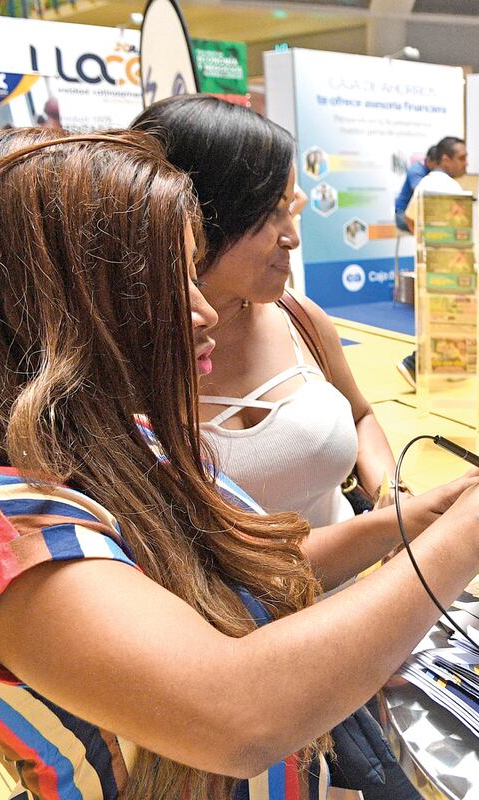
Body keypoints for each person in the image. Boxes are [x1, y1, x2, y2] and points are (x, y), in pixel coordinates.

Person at [0, 127, 479, 799]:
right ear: (78, 304)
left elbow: (245, 567)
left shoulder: (123, 439)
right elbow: (238, 715)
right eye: (177, 282)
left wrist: (413, 520)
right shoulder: (22, 535)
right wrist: (473, 536)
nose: (204, 312)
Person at [132, 96, 396, 533]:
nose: (292, 237)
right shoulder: (116, 365)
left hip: (361, 590)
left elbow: (359, 415)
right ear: (201, 215)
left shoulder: (299, 317)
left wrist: (392, 495)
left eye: (290, 209)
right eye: (272, 214)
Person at [397, 135, 468, 389]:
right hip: (450, 263)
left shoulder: (429, 183)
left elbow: (410, 217)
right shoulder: (444, 185)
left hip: (437, 260)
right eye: (461, 158)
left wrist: (425, 246)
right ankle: (414, 363)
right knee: (447, 316)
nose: (465, 163)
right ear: (445, 159)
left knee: (446, 316)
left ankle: (446, 363)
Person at [395, 147, 436, 232]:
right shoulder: (416, 170)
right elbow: (420, 194)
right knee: (433, 230)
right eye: (436, 163)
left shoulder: (430, 170)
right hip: (403, 214)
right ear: (429, 160)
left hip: (414, 214)